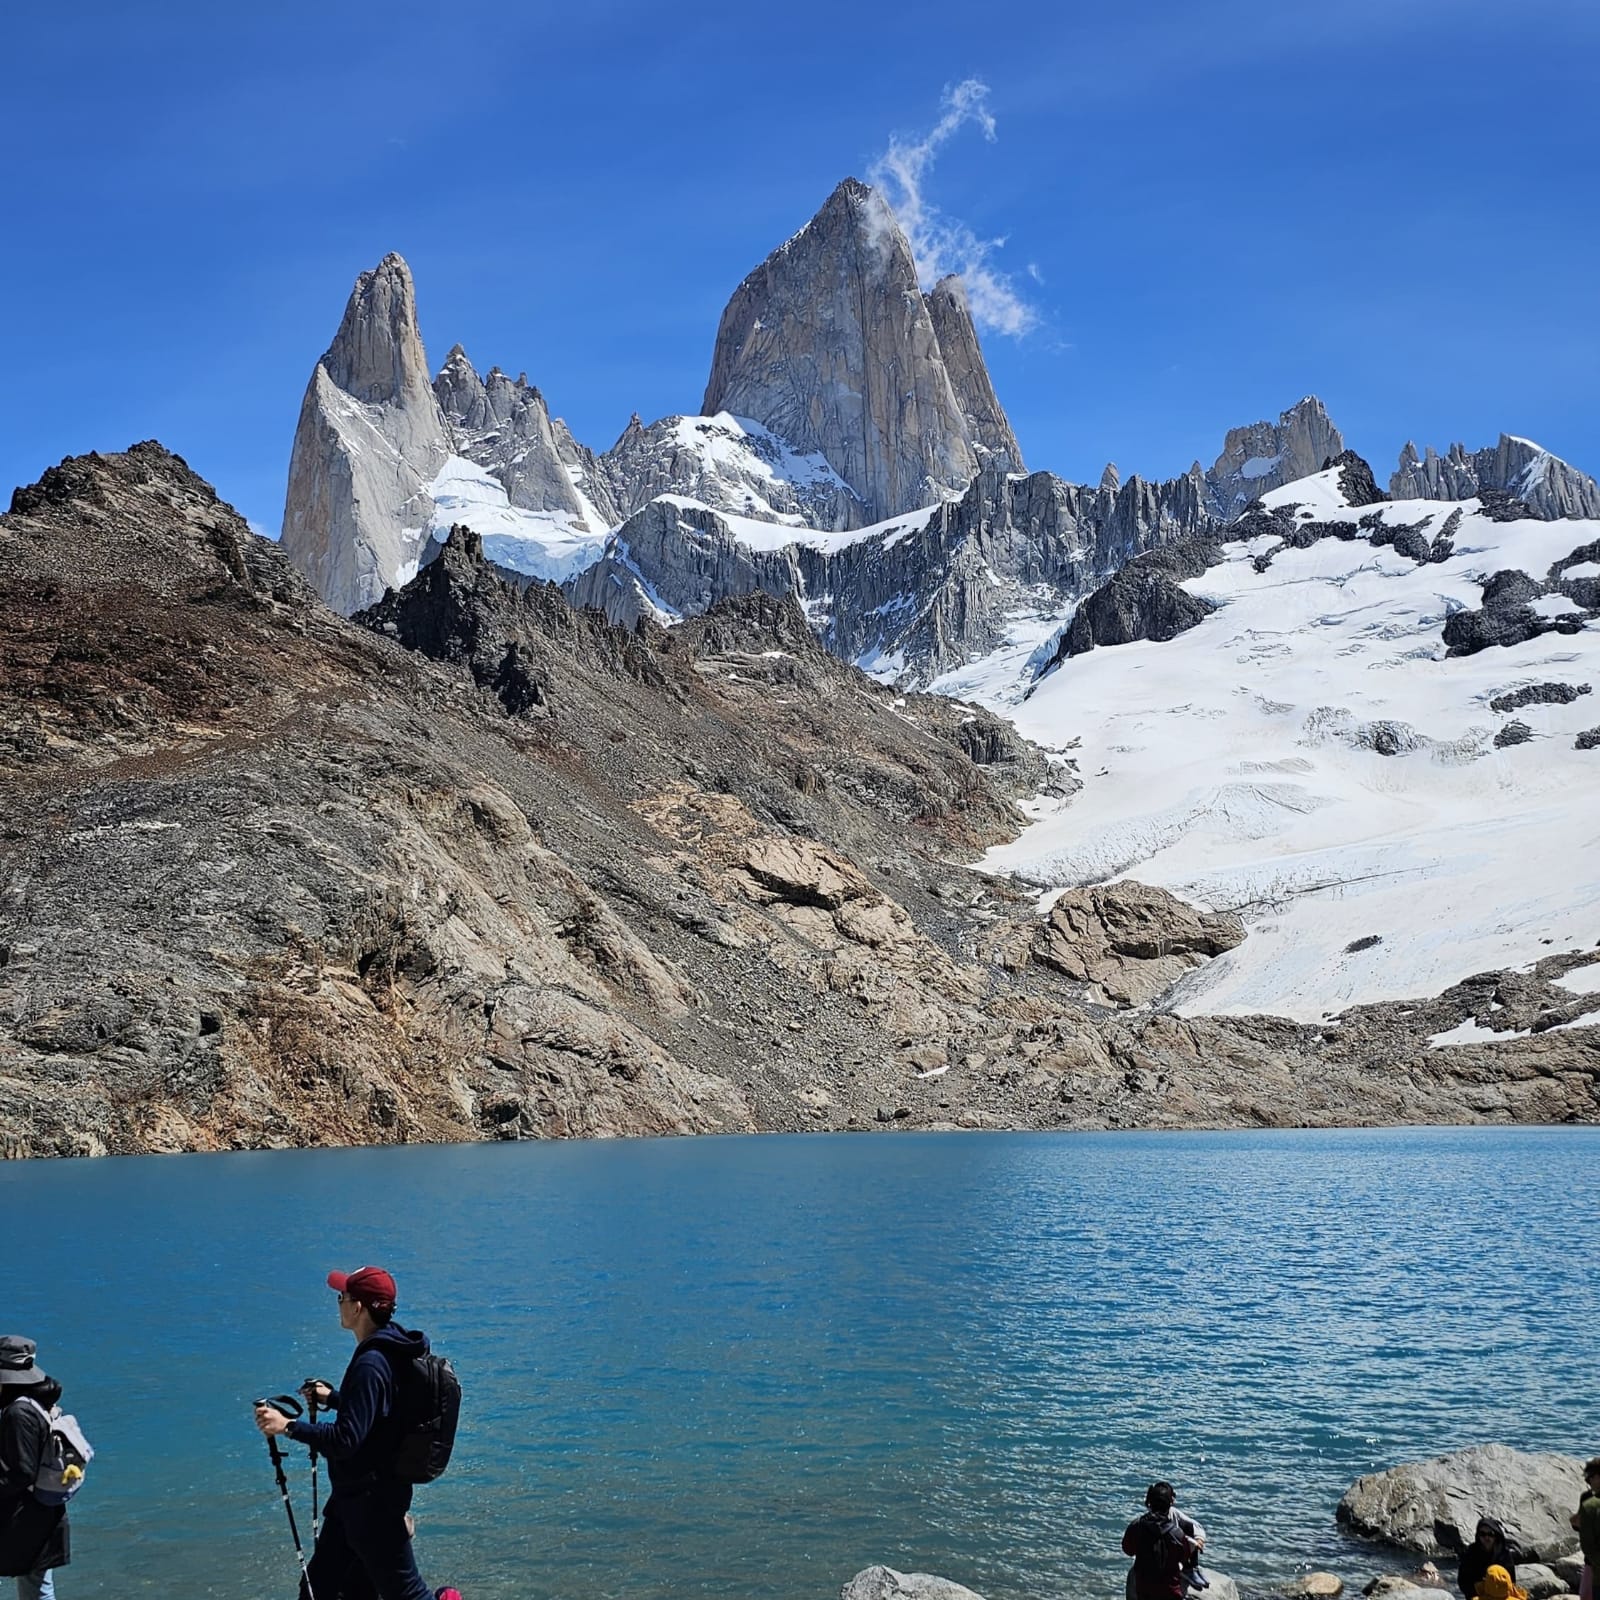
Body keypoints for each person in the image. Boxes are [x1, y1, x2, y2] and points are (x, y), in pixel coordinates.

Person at [254, 1267, 461, 1600]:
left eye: (342, 1297)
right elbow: (381, 1414)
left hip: (372, 1505)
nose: (339, 1303)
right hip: (354, 1500)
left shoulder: (371, 1363)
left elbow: (345, 1440)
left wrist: (287, 1426)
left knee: (404, 1594)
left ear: (359, 1307)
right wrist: (334, 1398)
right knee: (318, 1588)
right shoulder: (393, 1346)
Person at [0, 1337, 70, 1600]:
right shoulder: (35, 1404)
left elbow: (21, 1471)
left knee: (36, 1588)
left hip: (22, 1516)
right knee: (37, 1586)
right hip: (41, 1511)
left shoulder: (18, 1413)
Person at [1123, 1481, 1206, 1600]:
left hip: (1144, 1591)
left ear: (1149, 1502)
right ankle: (1192, 1573)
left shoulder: (1136, 1526)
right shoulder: (1177, 1534)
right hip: (1170, 1593)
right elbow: (1184, 1556)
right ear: (1171, 1503)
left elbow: (1128, 1550)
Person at [1456, 1517, 1524, 1600]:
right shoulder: (1471, 1552)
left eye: (1490, 1534)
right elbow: (1463, 1580)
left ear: (1496, 1535)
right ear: (1478, 1535)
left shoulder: (1504, 1553)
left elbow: (1510, 1580)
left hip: (1501, 1596)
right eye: (1483, 1534)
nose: (1486, 1538)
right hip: (1477, 1595)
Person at [1570, 1457, 1600, 1600]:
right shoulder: (1586, 1497)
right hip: (1591, 1560)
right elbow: (1580, 1524)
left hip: (1593, 1558)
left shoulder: (1590, 1502)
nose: (1588, 1481)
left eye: (1590, 1477)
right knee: (1586, 1594)